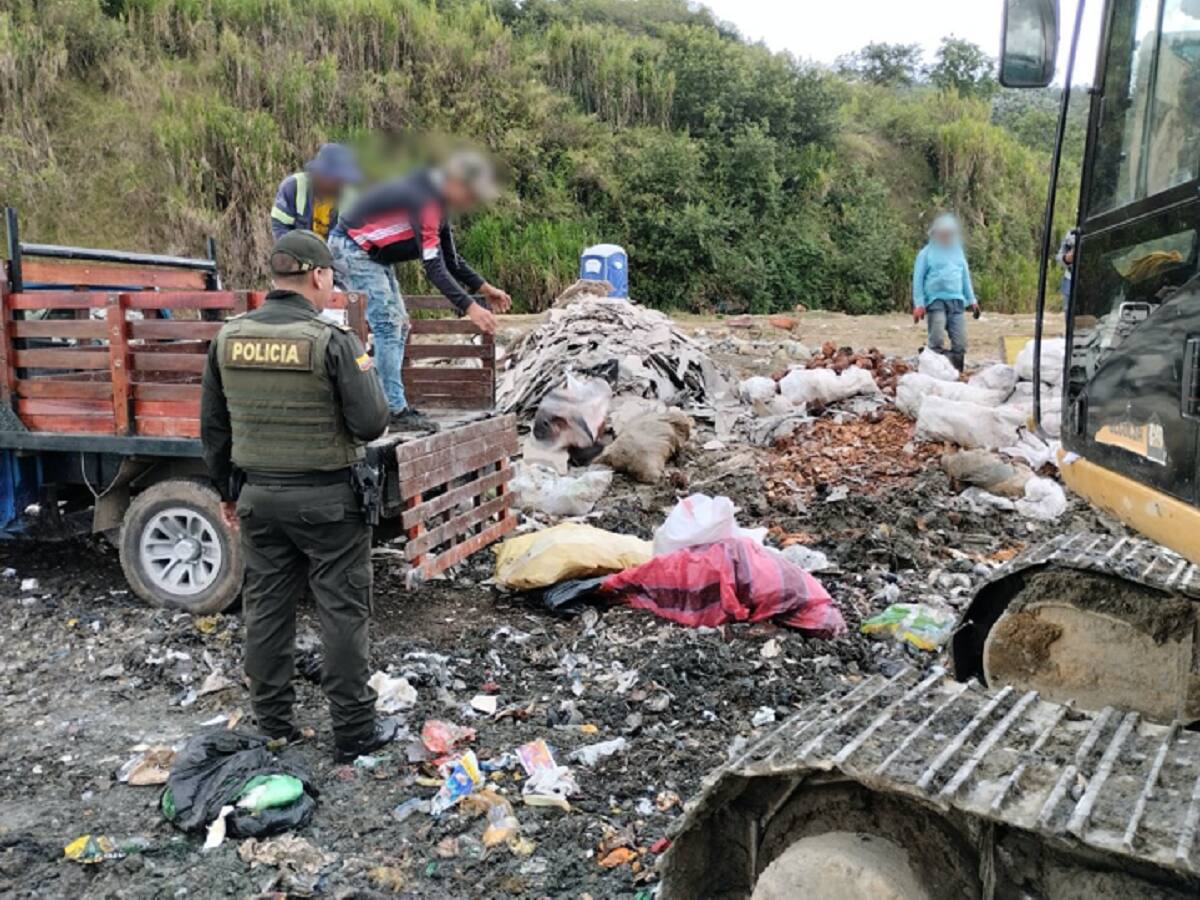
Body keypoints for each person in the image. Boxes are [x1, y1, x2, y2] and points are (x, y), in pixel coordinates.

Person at [200, 230, 399, 763]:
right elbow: (371, 423)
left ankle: (274, 727)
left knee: (266, 610)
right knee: (342, 610)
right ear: (318, 275)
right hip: (329, 502)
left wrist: (227, 491)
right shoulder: (332, 340)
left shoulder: (228, 338)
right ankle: (354, 732)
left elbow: (213, 429)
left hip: (258, 498)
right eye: (331, 276)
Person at [328, 150, 513, 431]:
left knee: (400, 326)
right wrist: (470, 307)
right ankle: (392, 410)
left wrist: (484, 288)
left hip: (373, 255)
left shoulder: (440, 201)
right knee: (388, 325)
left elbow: (450, 260)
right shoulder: (426, 200)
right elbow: (433, 267)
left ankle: (391, 401)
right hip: (350, 247)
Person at [912, 213, 979, 372]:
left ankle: (955, 371)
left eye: (949, 234)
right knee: (936, 337)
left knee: (960, 342)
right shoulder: (926, 253)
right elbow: (918, 279)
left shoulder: (958, 252)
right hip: (935, 300)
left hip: (956, 301)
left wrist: (972, 300)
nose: (945, 237)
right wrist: (919, 304)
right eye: (942, 234)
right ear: (935, 233)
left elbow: (965, 277)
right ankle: (934, 369)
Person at [270, 143, 363, 240]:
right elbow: (279, 227)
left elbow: (352, 239)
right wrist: (295, 247)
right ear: (319, 174)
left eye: (343, 180)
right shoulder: (293, 187)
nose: (341, 185)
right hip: (296, 247)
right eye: (337, 180)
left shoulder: (352, 199)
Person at [1056, 227, 1078, 310]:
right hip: (1070, 281)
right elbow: (1059, 257)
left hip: (1095, 281)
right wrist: (1066, 258)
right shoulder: (1071, 234)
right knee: (1069, 311)